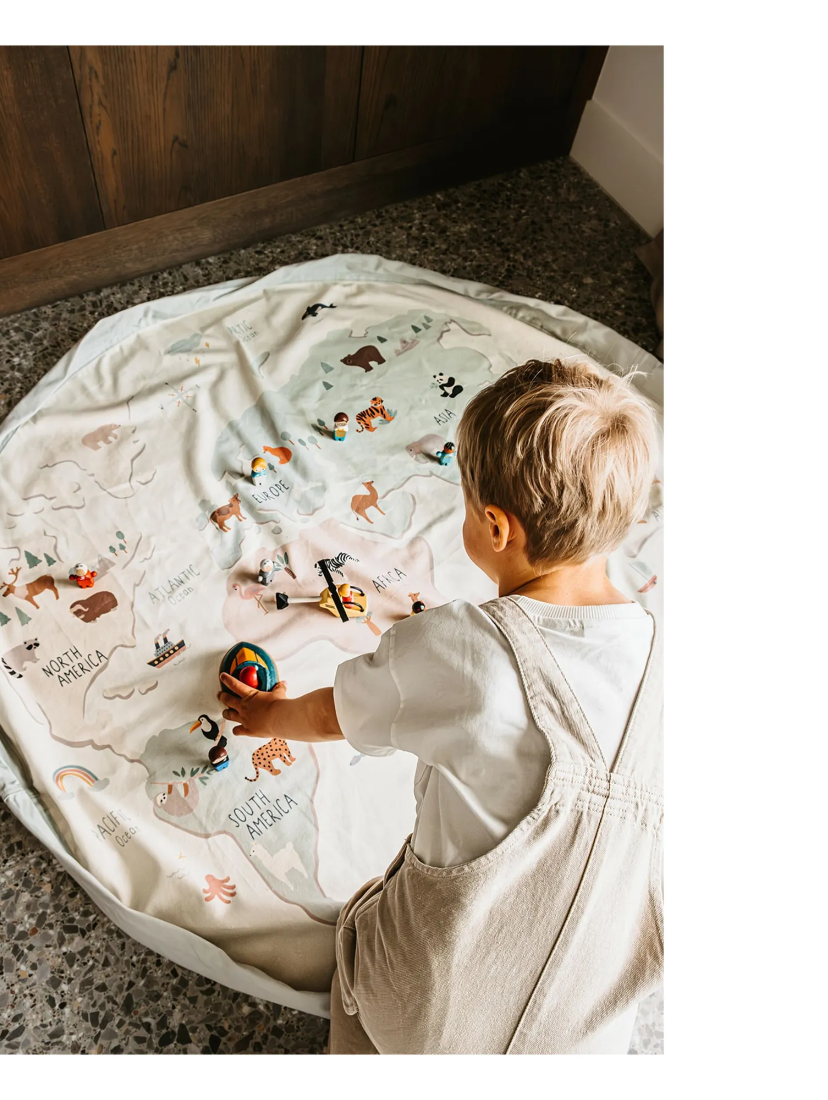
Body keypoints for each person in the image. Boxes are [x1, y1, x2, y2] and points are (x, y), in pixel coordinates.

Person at [218, 359, 662, 1054]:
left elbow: (334, 714)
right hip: (586, 1030)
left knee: (366, 959)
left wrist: (269, 716)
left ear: (494, 526)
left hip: (432, 1015)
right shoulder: (668, 662)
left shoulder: (463, 647)